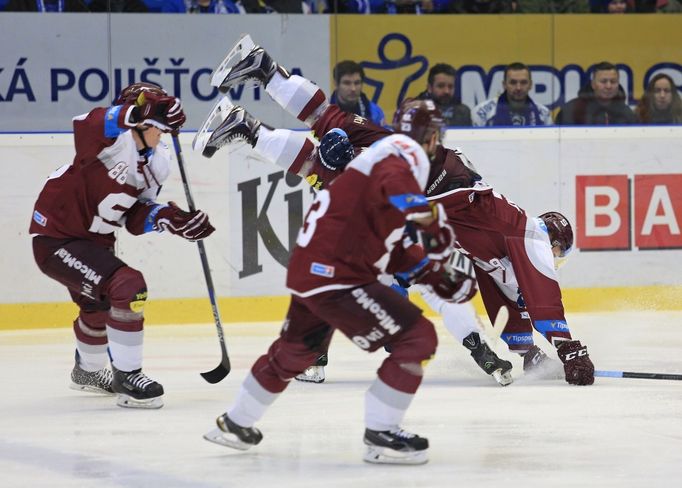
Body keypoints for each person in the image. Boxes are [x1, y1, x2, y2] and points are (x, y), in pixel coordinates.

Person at [199, 38, 595, 387]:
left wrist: (529, 354)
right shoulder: (532, 237)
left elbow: (505, 302)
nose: (554, 261)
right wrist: (569, 347)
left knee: (333, 126)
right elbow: (543, 294)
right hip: (438, 187)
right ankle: (250, 121)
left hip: (437, 185)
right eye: (559, 254)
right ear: (555, 240)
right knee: (336, 169)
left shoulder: (502, 253)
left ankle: (260, 82)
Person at [29, 82, 215, 409]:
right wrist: (140, 111)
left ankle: (86, 372)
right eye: (156, 126)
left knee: (98, 308)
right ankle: (128, 377)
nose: (163, 134)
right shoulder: (109, 140)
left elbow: (132, 215)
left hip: (95, 242)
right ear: (139, 122)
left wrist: (171, 219)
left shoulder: (159, 161)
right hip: (57, 238)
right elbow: (90, 121)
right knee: (129, 287)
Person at [555, 62, 637, 125]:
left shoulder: (627, 113)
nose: (608, 86)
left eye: (613, 82)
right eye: (603, 81)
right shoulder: (572, 110)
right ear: (593, 84)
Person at [472, 62, 553, 127]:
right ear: (504, 85)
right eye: (513, 82)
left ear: (530, 85)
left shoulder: (544, 114)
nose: (518, 88)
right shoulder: (482, 113)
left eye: (523, 82)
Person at [330, 60, 385, 126]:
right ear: (336, 84)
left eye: (357, 83)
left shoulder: (375, 112)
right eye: (347, 83)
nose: (353, 88)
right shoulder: (325, 113)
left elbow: (383, 135)